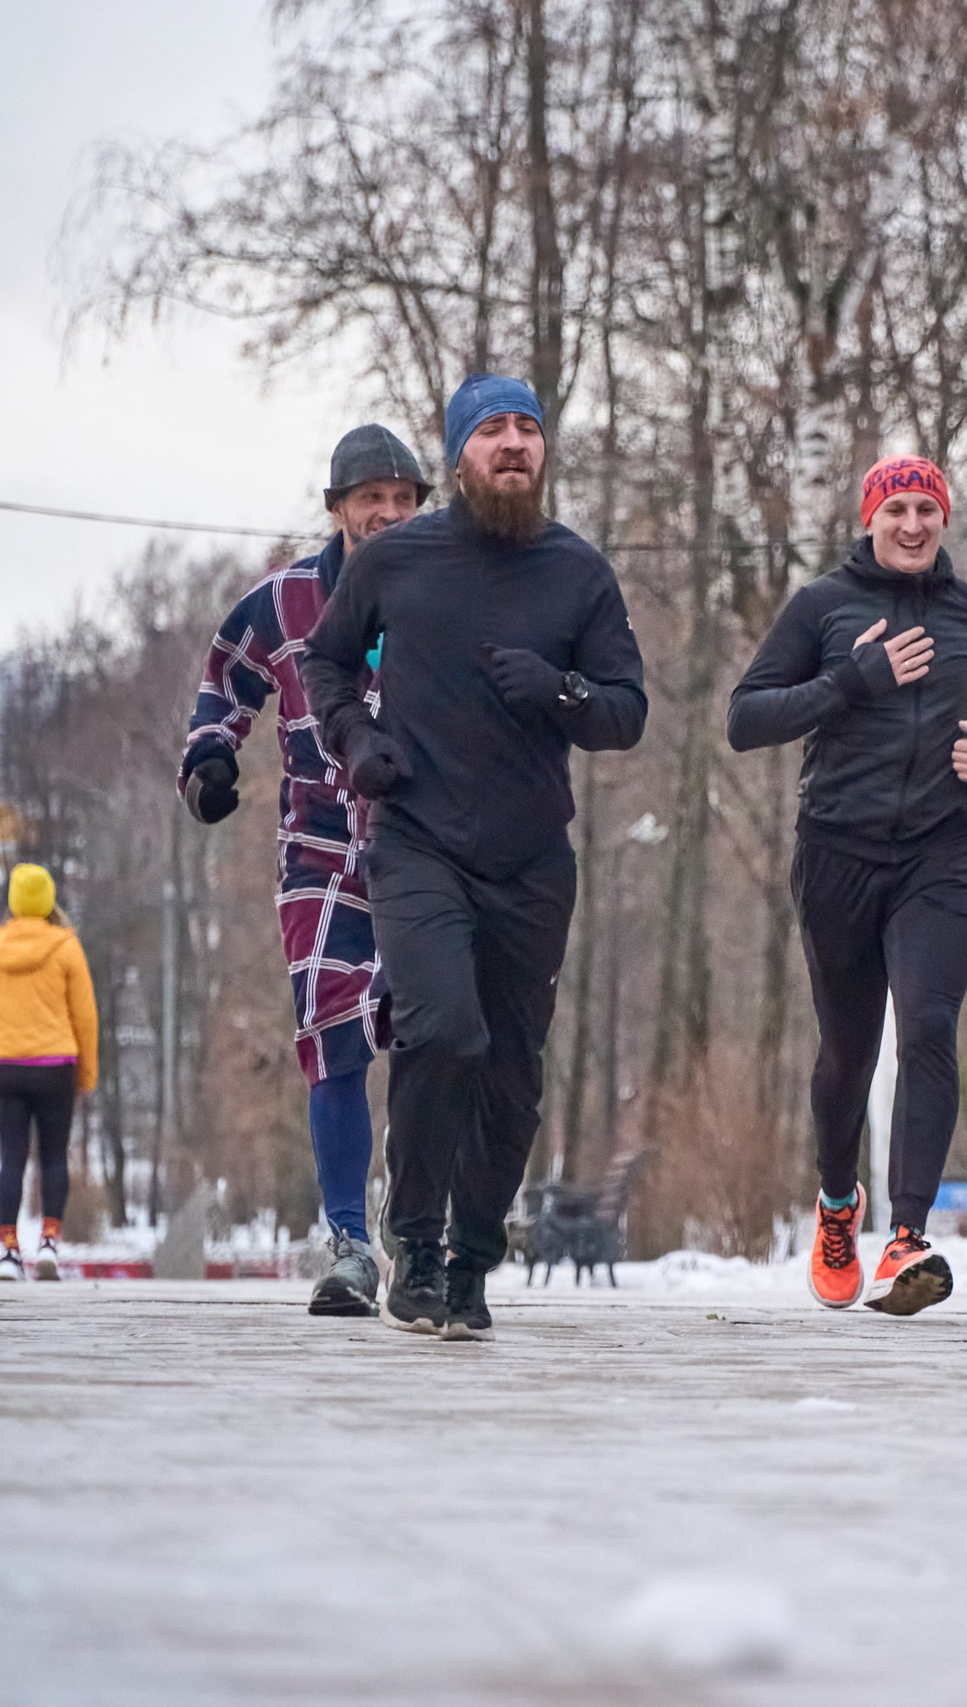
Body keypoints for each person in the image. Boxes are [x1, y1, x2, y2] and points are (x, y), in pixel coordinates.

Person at [302, 373, 648, 1341]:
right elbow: (325, 660)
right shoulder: (398, 560)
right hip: (417, 839)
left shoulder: (577, 574)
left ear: (542, 453)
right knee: (442, 1028)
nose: (511, 444)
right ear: (458, 453)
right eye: (491, 429)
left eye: (526, 430)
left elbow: (627, 711)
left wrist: (559, 691)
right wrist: (357, 741)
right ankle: (413, 1240)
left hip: (532, 859)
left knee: (510, 1072)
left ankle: (471, 1263)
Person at [727, 453, 967, 1316]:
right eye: (895, 508)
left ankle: (907, 1235)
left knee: (928, 1025)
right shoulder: (824, 607)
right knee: (849, 1052)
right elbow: (747, 717)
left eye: (925, 510)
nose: (910, 524)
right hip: (837, 855)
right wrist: (849, 680)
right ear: (870, 517)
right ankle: (835, 1204)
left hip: (938, 852)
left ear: (943, 520)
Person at [178, 423, 430, 1317]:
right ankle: (349, 1243)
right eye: (373, 501)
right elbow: (226, 676)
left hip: (425, 847)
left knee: (426, 1036)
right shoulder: (284, 603)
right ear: (338, 509)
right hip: (319, 853)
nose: (390, 517)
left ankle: (414, 1224)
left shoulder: (447, 596)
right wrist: (211, 758)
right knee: (331, 1035)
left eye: (405, 502)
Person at [0, 865, 99, 1282]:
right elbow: (85, 1017)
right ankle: (49, 1244)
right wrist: (87, 1075)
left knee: (12, 1160)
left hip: (5, 1066)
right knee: (54, 1158)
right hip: (56, 1066)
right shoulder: (66, 946)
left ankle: (8, 1252)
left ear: (12, 901)